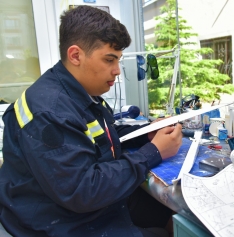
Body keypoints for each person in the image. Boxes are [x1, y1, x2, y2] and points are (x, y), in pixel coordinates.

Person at [0, 5, 182, 237]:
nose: (117, 71)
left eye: (118, 60)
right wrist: (153, 152)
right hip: (57, 221)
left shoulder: (78, 92)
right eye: (109, 60)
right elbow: (82, 192)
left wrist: (147, 132)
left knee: (167, 215)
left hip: (77, 205)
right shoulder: (50, 112)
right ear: (76, 55)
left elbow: (101, 135)